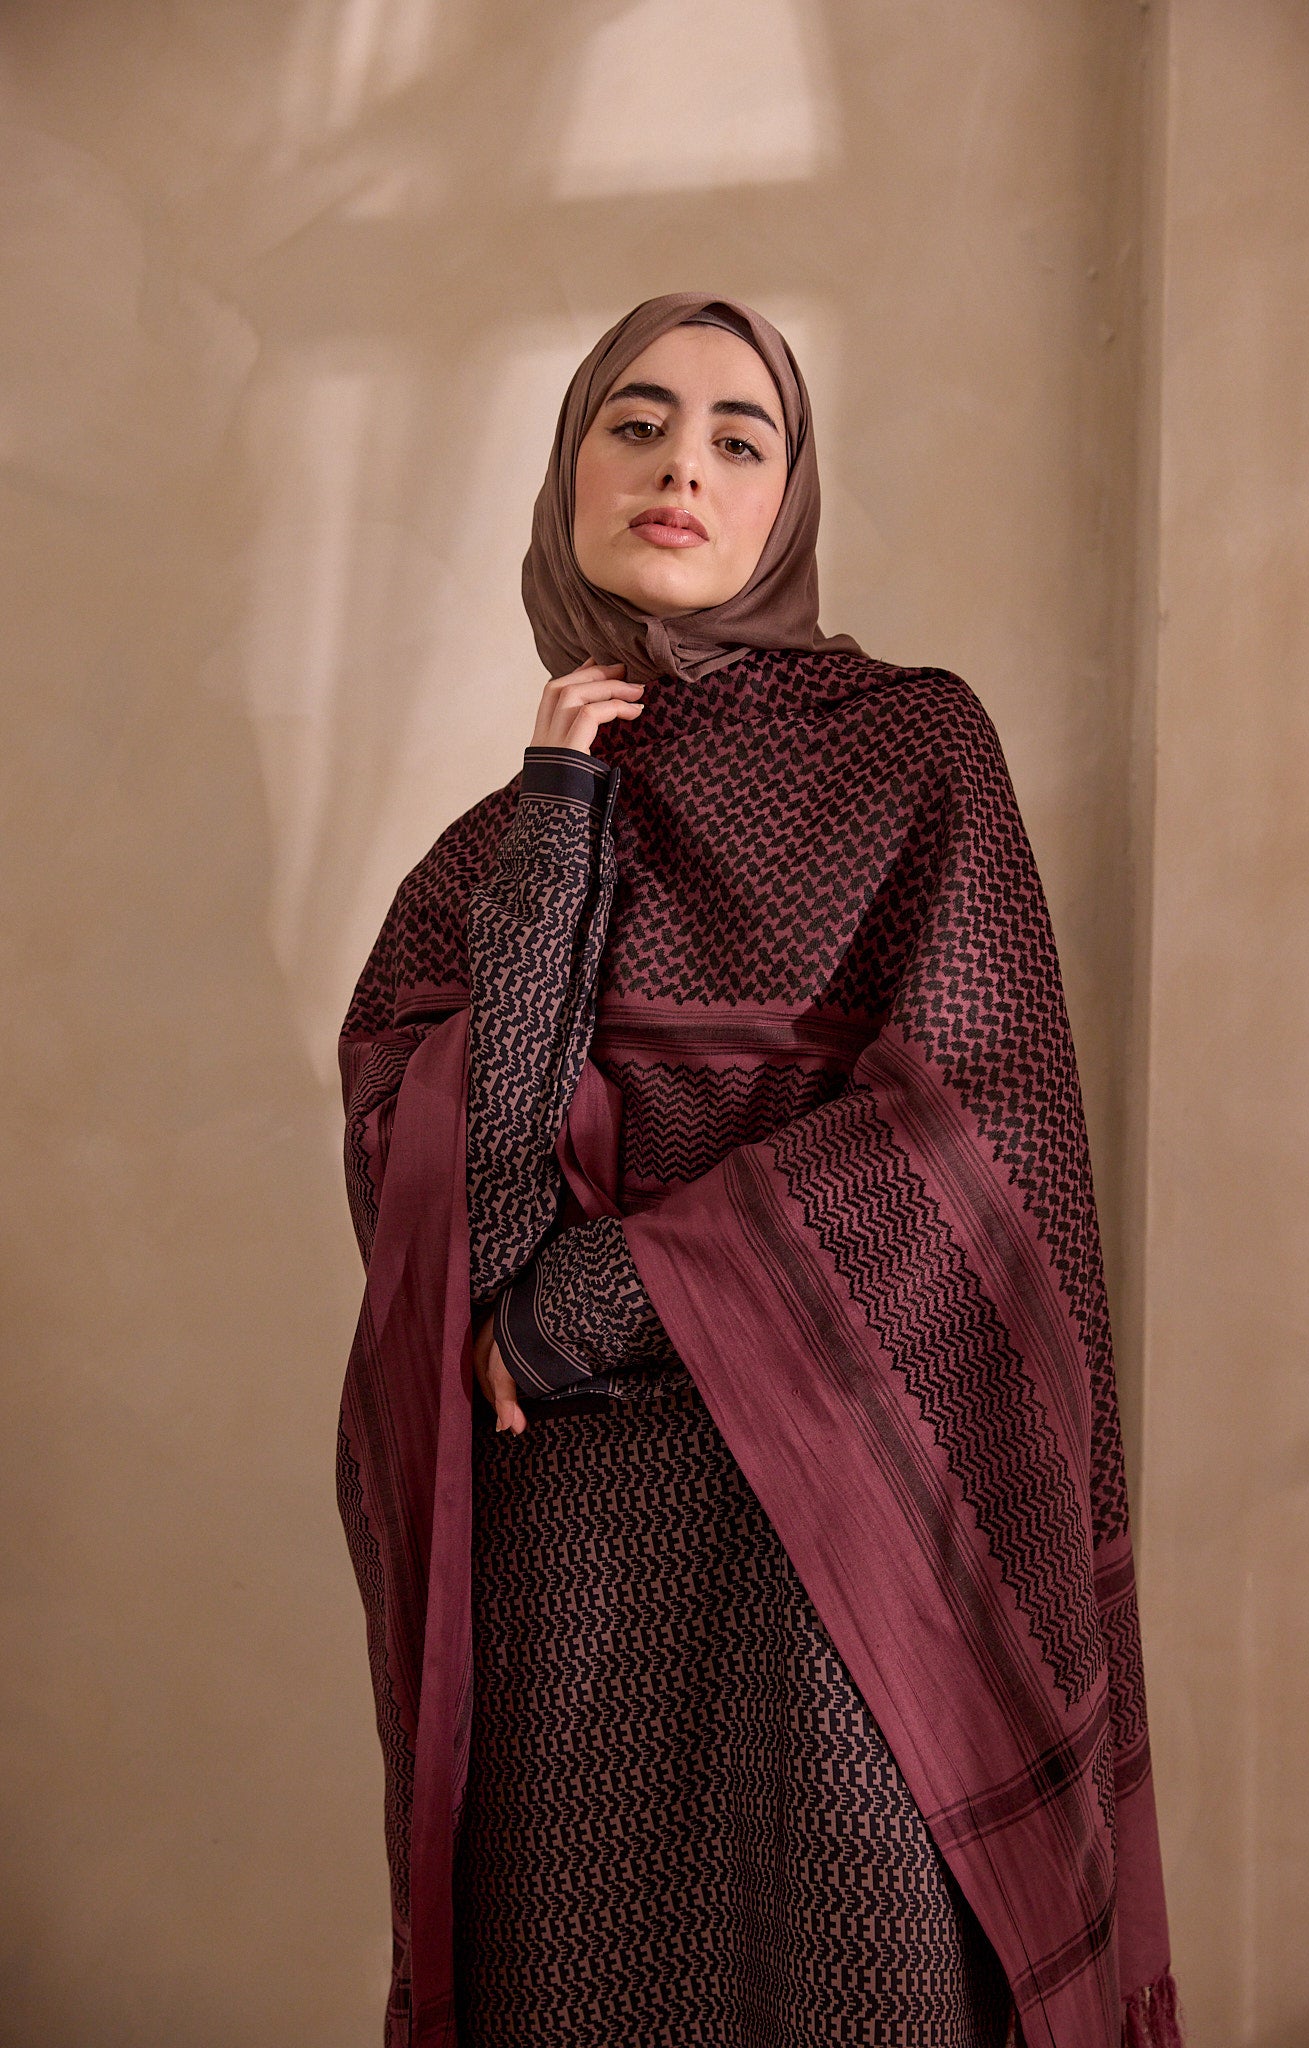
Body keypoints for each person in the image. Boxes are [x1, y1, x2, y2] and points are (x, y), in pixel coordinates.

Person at [336, 294, 1182, 2048]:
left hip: (844, 1514)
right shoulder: (489, 853)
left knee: (848, 1985)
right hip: (572, 1555)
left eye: (740, 439)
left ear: (789, 499)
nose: (679, 469)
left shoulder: (910, 750)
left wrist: (600, 1297)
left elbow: (978, 1122)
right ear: (569, 466)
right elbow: (465, 1236)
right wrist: (560, 821)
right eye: (633, 425)